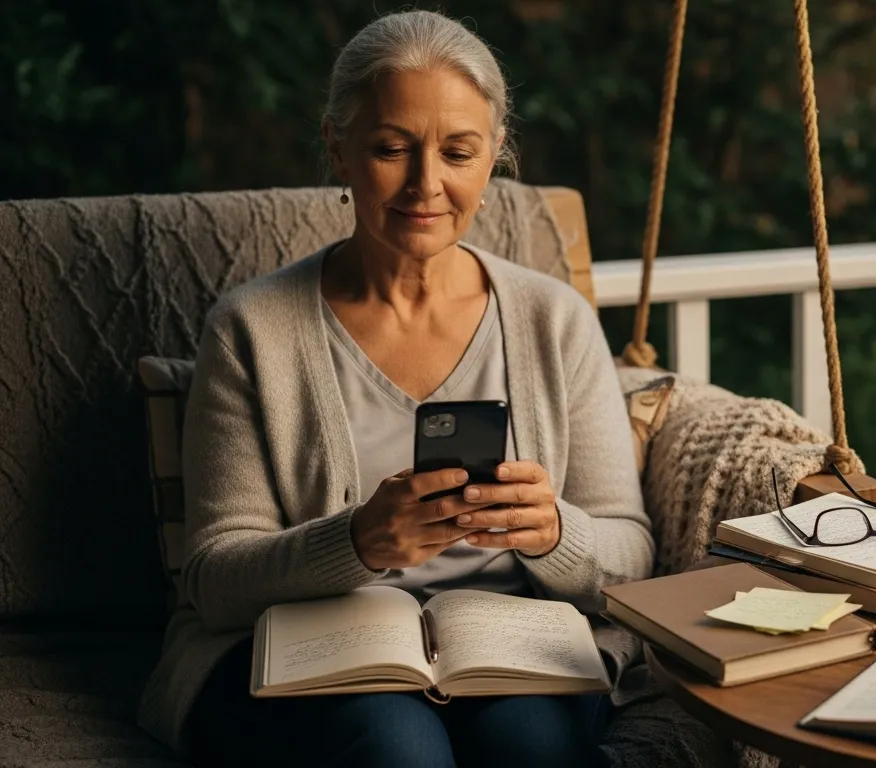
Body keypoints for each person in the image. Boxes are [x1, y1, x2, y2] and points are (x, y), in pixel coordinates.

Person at [137, 10, 655, 768]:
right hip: (310, 650)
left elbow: (631, 550)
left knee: (534, 748)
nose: (426, 184)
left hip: (506, 645)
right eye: (390, 149)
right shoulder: (251, 329)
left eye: (458, 152)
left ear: (494, 158)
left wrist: (554, 533)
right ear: (337, 148)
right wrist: (354, 543)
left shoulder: (554, 321)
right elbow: (214, 579)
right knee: (397, 749)